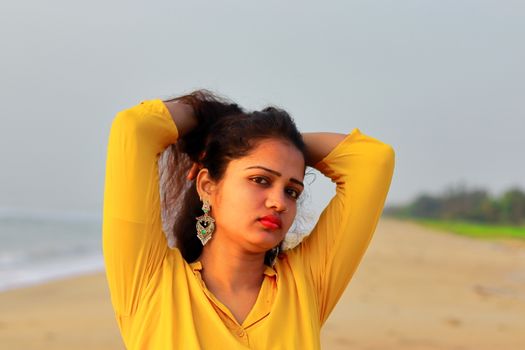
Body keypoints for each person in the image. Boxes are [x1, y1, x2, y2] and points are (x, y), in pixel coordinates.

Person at [102, 90, 395, 349]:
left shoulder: (305, 286)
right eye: (260, 179)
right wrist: (220, 126)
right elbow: (135, 128)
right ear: (207, 186)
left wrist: (272, 141)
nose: (278, 202)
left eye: (292, 191)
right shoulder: (150, 282)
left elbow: (371, 161)